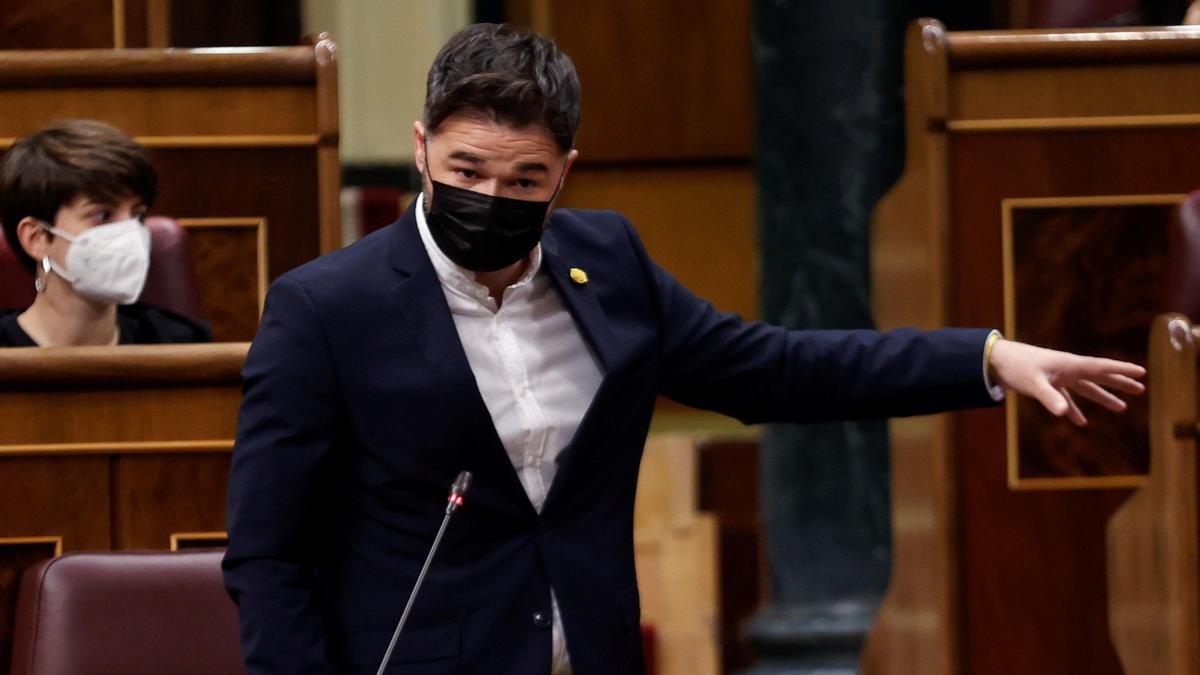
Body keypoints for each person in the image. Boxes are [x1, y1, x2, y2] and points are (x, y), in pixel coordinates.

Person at [222, 23, 1145, 674]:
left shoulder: (608, 261)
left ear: (565, 173)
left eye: (524, 179)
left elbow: (777, 368)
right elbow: (267, 555)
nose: (491, 196)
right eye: (466, 171)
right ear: (421, 150)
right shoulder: (322, 308)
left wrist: (984, 358)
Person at [0, 119, 209, 347]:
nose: (129, 233)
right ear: (37, 238)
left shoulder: (181, 343)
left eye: (137, 215)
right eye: (102, 215)